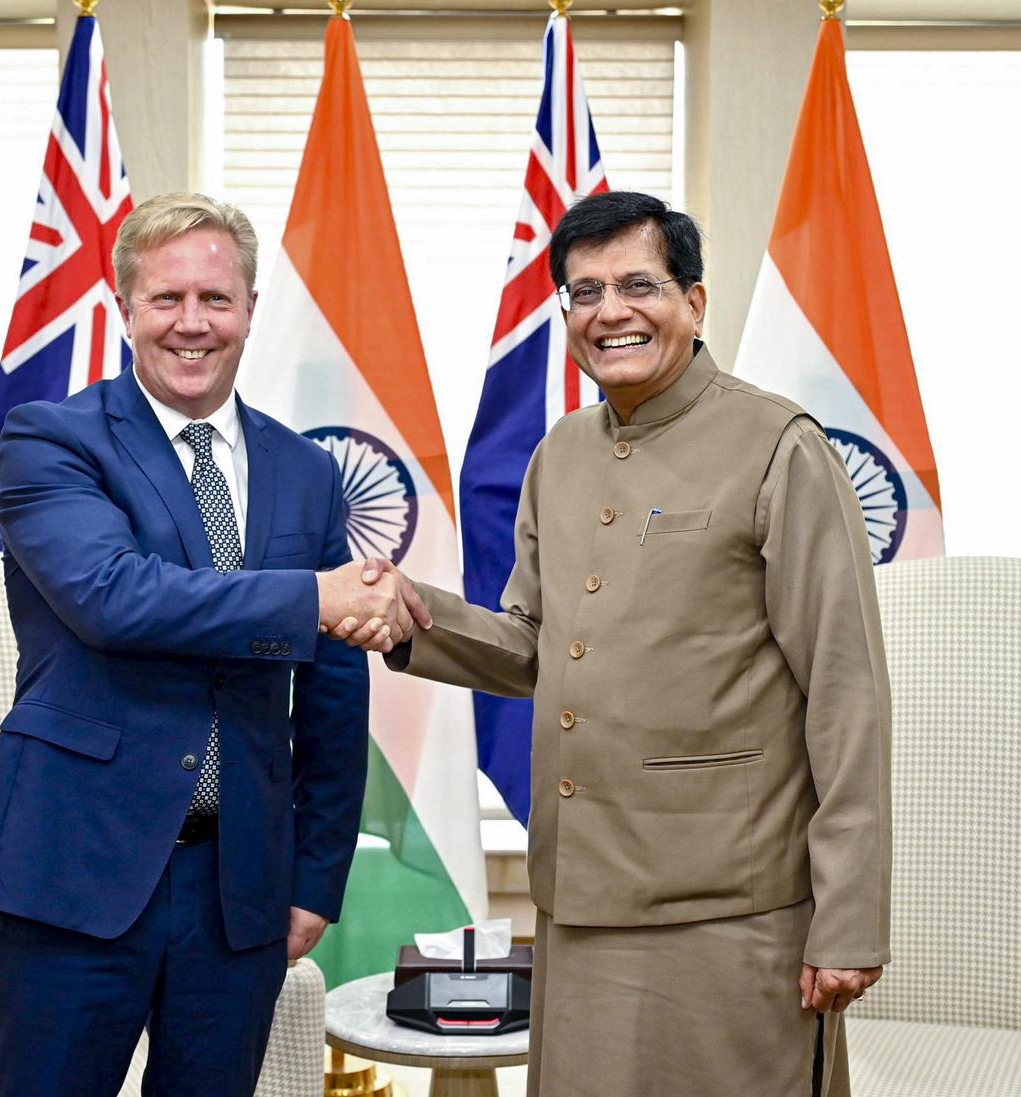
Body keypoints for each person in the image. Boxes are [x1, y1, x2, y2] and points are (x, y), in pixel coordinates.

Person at [346, 191, 891, 1097]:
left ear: (695, 302)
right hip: (579, 902)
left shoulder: (780, 446)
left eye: (639, 284)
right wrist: (411, 615)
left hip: (733, 910)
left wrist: (851, 918)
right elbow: (528, 645)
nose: (611, 311)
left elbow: (847, 691)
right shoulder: (559, 452)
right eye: (585, 291)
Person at [0, 193, 416, 1097]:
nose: (192, 324)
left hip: (239, 891)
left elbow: (336, 693)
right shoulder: (50, 441)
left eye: (216, 299)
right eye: (166, 299)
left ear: (250, 311)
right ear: (126, 308)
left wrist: (316, 878)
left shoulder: (307, 472)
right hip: (72, 869)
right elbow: (115, 599)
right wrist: (314, 595)